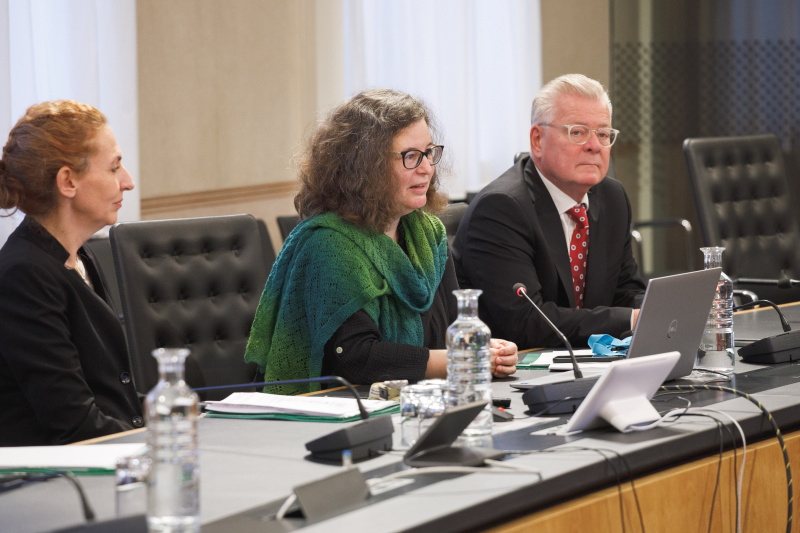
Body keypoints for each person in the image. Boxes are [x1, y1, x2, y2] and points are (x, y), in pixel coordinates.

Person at [245, 88, 518, 395]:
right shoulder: (329, 244)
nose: (427, 168)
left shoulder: (428, 233)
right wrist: (457, 360)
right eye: (411, 156)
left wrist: (482, 348)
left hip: (420, 400)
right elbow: (356, 358)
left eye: (429, 152)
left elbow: (452, 330)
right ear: (366, 167)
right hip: (344, 406)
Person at [452, 74, 646, 350]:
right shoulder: (501, 208)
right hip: (518, 366)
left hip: (589, 360)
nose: (594, 145)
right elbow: (528, 321)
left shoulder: (612, 198)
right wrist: (631, 320)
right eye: (577, 132)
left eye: (603, 134)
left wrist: (658, 313)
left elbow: (627, 291)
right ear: (538, 140)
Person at [0, 100, 143, 446]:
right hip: (56, 473)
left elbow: (109, 393)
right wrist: (160, 444)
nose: (127, 182)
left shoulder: (80, 255)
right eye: (114, 168)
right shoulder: (24, 275)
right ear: (67, 181)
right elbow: (75, 423)